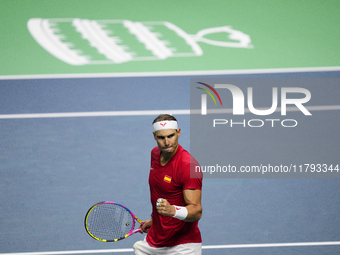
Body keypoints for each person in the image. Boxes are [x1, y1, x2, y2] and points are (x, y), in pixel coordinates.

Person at [133, 114, 203, 255]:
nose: (166, 142)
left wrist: (173, 211)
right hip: (155, 241)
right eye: (161, 137)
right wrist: (155, 220)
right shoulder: (155, 154)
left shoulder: (188, 167)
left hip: (182, 246)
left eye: (170, 136)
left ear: (178, 132)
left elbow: (197, 211)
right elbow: (162, 191)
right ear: (154, 136)